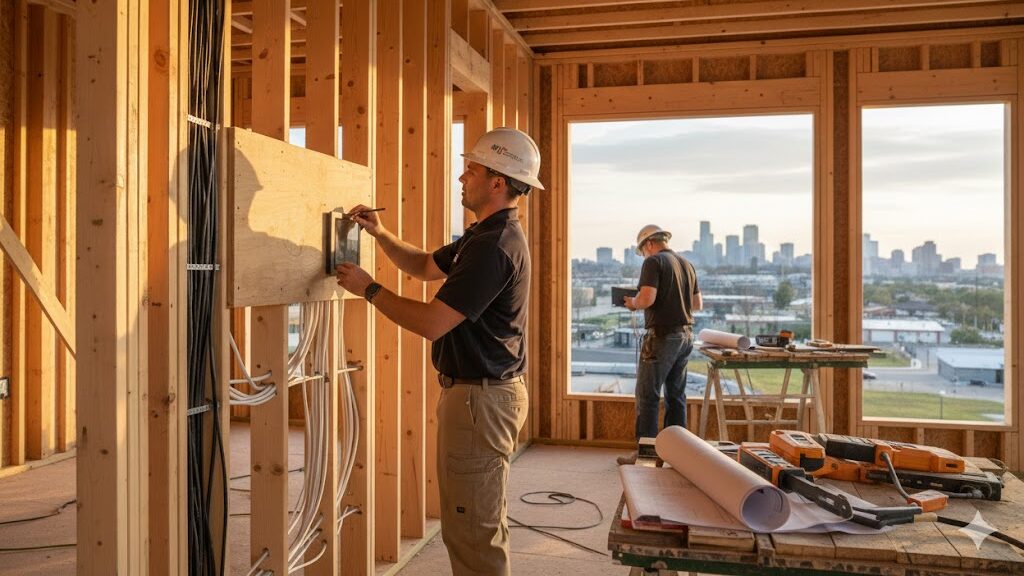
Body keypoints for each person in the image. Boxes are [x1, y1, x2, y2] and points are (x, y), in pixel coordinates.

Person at [335, 127, 543, 576]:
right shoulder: (483, 234)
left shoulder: (494, 246)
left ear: (498, 182)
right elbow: (425, 265)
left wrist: (367, 288)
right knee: (471, 522)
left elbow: (432, 323)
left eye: (472, 168)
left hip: (480, 401)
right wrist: (380, 232)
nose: (462, 176)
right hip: (478, 397)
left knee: (473, 532)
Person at [618, 224, 702, 465]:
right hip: (685, 336)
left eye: (643, 251)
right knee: (676, 395)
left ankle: (647, 454)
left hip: (662, 336)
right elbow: (697, 304)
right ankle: (677, 454)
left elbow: (646, 299)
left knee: (648, 394)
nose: (644, 256)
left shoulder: (653, 262)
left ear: (649, 245)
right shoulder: (687, 264)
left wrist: (632, 303)